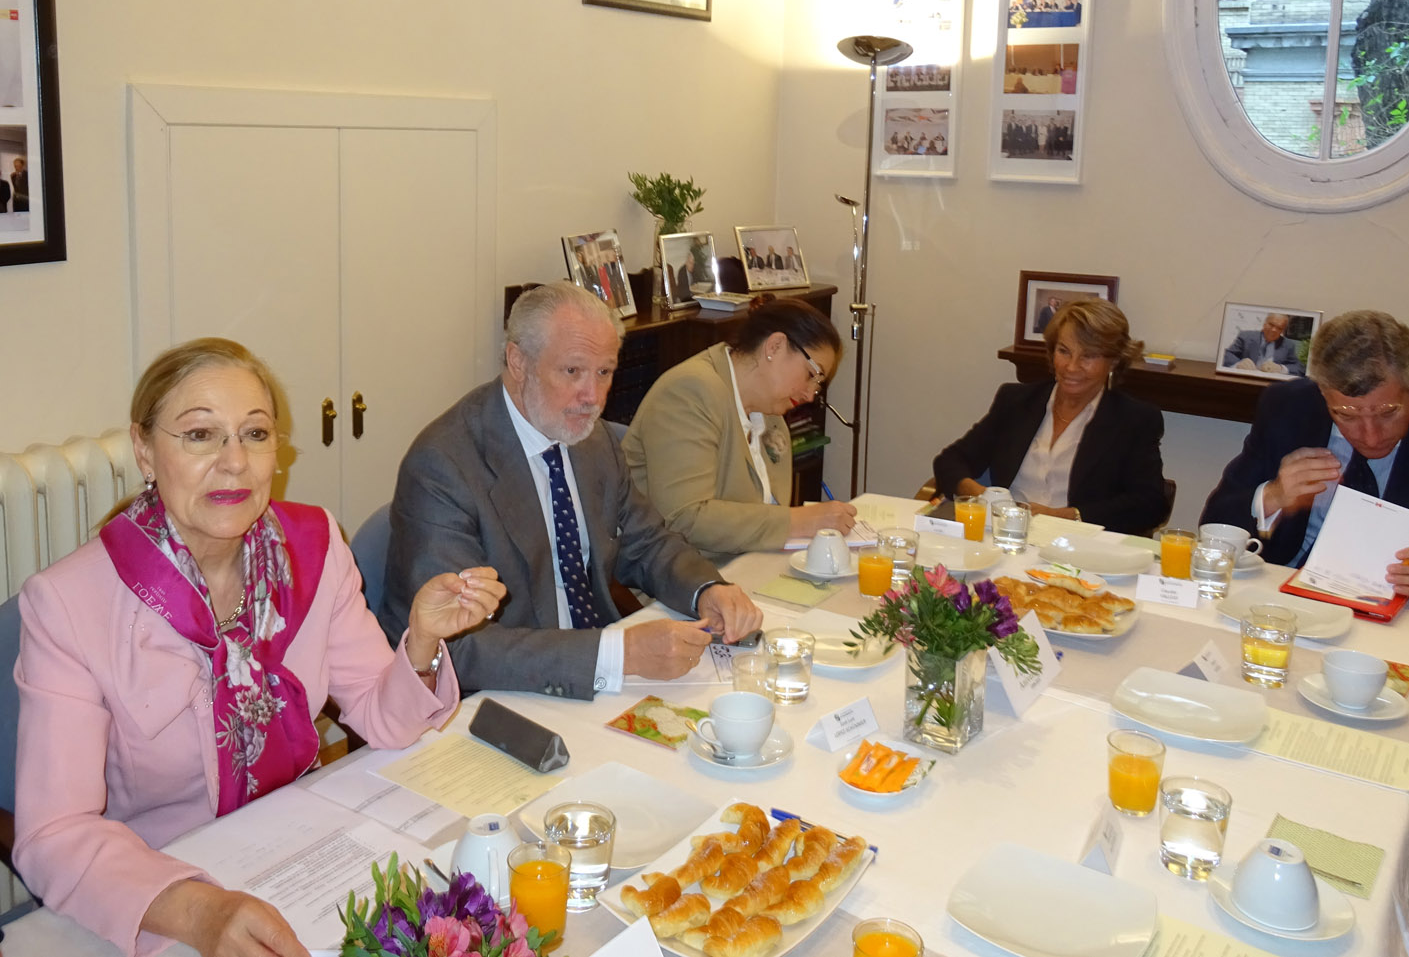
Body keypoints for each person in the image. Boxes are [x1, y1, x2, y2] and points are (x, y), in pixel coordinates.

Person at [13, 338, 504, 957]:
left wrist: (424, 643)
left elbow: (381, 718)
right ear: (144, 449)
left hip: (301, 856)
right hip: (159, 889)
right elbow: (55, 833)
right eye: (200, 435)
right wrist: (199, 911)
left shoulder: (313, 548)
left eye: (255, 433)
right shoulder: (68, 604)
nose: (234, 462)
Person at [379, 282, 763, 701]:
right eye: (573, 371)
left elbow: (646, 541)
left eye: (604, 372)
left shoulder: (591, 439)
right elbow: (457, 645)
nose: (593, 397)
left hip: (592, 667)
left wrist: (706, 590)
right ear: (518, 361)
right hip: (492, 694)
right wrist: (620, 654)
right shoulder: (443, 465)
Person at [1200, 311, 1409, 619]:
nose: (1370, 436)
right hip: (1279, 602)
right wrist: (1272, 497)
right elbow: (1214, 525)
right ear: (1322, 391)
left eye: (1388, 413)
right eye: (1346, 415)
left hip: (1398, 621)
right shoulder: (1287, 408)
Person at [622, 296, 857, 562]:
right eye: (811, 375)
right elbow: (685, 518)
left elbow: (764, 514)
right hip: (681, 574)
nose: (810, 395)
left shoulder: (771, 413)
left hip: (746, 566)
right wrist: (797, 521)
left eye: (818, 384)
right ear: (775, 346)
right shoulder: (690, 391)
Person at [932, 299, 1168, 535]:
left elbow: (1150, 504)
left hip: (1078, 544)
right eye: (1064, 351)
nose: (1071, 367)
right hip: (1005, 536)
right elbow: (950, 461)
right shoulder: (1016, 402)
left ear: (1114, 361)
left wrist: (1067, 516)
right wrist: (983, 496)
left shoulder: (1134, 420)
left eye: (1088, 356)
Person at [1222, 312, 1304, 376]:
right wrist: (1238, 363)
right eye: (1271, 324)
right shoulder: (1245, 336)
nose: (1274, 330)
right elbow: (1227, 354)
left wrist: (1281, 368)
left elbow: (1299, 368)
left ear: (1282, 331)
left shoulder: (1288, 345)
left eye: (1279, 328)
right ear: (1264, 324)